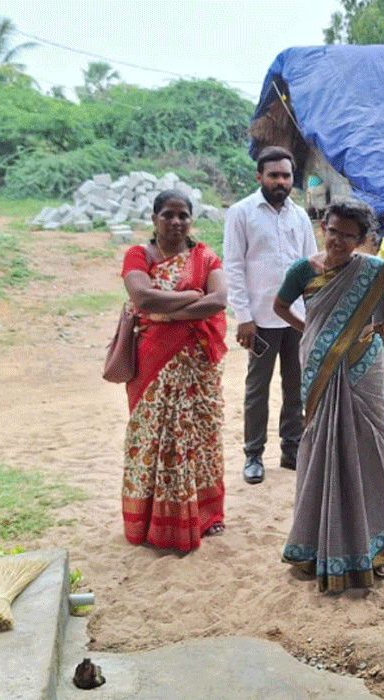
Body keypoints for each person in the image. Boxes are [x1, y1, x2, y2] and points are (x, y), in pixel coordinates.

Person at [274, 198, 384, 592]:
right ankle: (313, 543)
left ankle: (379, 546)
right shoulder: (303, 269)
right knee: (320, 442)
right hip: (318, 362)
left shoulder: (372, 269)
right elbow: (280, 305)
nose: (338, 240)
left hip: (363, 361)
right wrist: (311, 332)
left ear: (362, 239)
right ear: (323, 225)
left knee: (372, 442)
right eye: (333, 230)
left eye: (349, 235)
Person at [120, 189, 228, 550]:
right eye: (168, 215)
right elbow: (142, 297)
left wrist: (165, 313)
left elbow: (218, 300)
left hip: (196, 365)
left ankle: (206, 515)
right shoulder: (139, 254)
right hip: (152, 359)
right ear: (154, 219)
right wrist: (189, 298)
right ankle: (151, 520)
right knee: (153, 437)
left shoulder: (206, 258)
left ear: (191, 220)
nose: (176, 222)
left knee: (199, 437)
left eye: (183, 215)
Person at [224, 146, 317, 484]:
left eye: (286, 175)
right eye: (273, 175)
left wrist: (312, 315)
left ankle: (291, 451)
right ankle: (253, 455)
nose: (280, 181)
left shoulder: (300, 216)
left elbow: (311, 266)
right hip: (260, 321)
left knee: (296, 387)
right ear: (258, 176)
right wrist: (244, 317)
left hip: (297, 320)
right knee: (257, 389)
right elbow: (233, 267)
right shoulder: (242, 213)